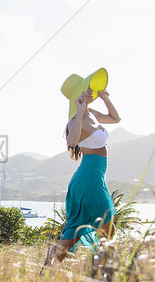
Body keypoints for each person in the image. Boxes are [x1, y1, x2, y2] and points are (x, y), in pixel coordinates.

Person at [42, 81, 120, 271]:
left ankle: (47, 272)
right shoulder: (77, 119)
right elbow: (71, 141)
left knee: (76, 234)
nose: (91, 90)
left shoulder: (92, 114)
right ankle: (105, 274)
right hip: (88, 180)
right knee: (105, 229)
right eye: (88, 89)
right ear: (79, 94)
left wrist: (105, 98)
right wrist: (79, 110)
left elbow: (115, 119)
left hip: (95, 178)